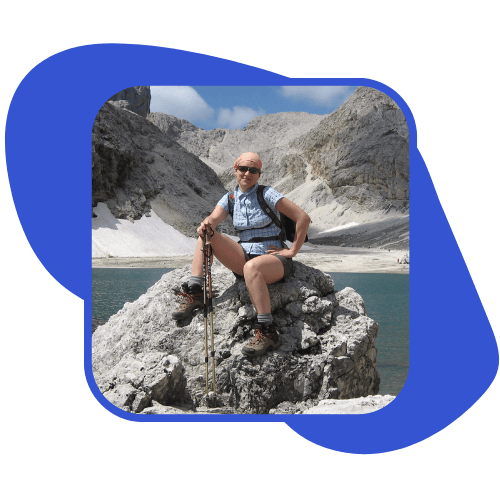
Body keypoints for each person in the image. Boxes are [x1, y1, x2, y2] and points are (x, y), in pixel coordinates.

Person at [172, 152, 311, 357]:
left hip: (274, 259)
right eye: (243, 169)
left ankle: (267, 331)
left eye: (253, 170)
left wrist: (292, 250)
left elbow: (303, 218)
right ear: (235, 170)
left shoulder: (267, 193)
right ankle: (195, 292)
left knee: (251, 267)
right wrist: (206, 225)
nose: (247, 173)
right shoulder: (230, 199)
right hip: (244, 256)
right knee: (206, 234)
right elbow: (213, 219)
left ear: (259, 174)